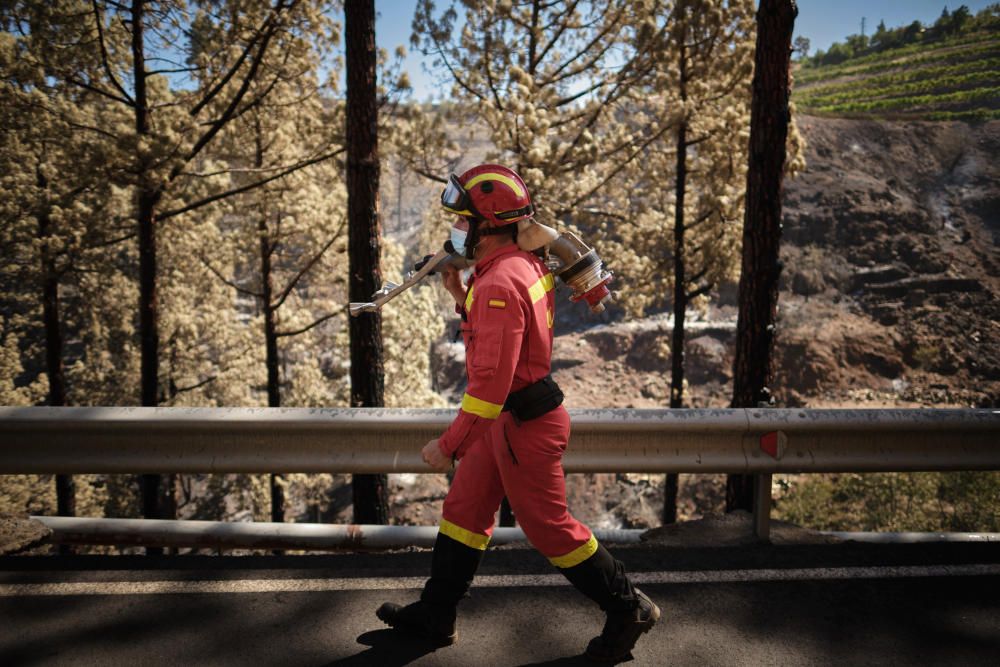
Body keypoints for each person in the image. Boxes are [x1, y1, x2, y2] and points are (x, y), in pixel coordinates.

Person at [376, 164, 659, 662]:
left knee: (548, 527)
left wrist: (447, 447)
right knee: (464, 511)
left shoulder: (498, 284)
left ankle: (627, 607)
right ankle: (437, 614)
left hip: (520, 426)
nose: (457, 229)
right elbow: (507, 338)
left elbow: (489, 387)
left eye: (464, 221)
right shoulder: (519, 266)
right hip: (506, 422)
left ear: (490, 226)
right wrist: (459, 294)